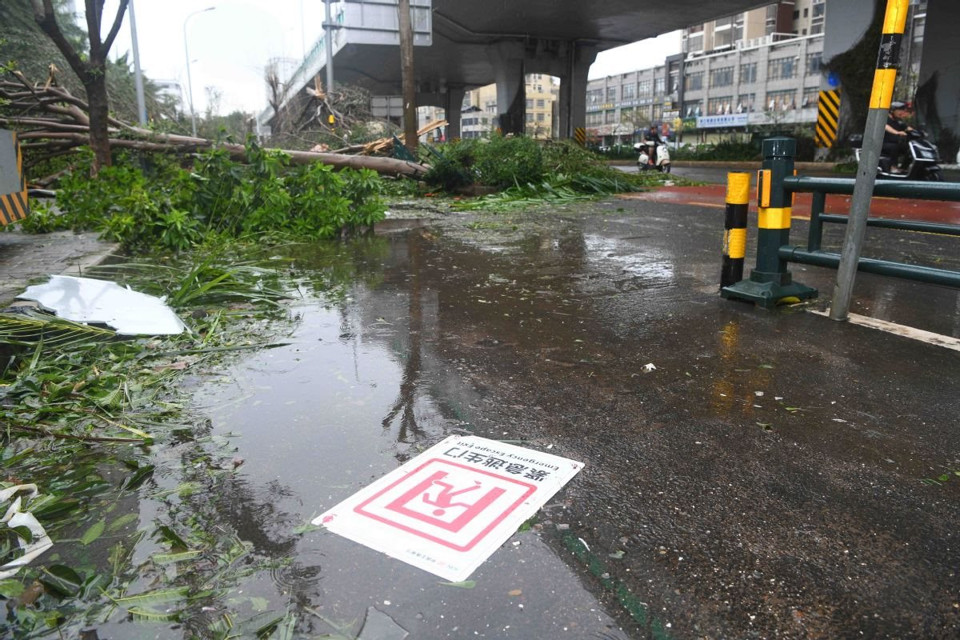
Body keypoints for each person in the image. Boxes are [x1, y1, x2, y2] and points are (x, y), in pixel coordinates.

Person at [883, 101, 915, 173]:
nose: (902, 112)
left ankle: (904, 168)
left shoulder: (898, 121)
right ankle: (893, 167)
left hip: (894, 143)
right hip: (882, 144)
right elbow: (886, 127)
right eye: (900, 110)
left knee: (910, 149)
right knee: (894, 147)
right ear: (892, 111)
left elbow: (908, 128)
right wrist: (897, 132)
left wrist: (919, 133)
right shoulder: (885, 119)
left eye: (903, 110)